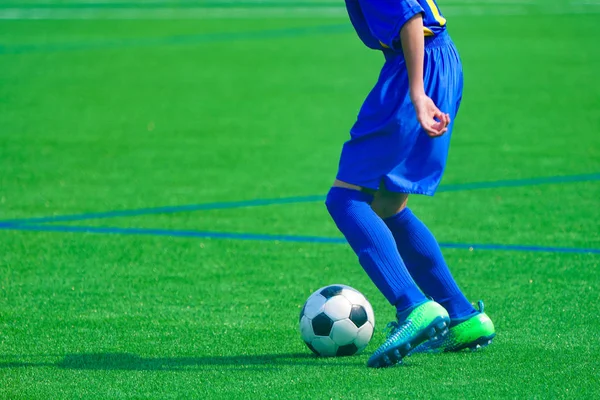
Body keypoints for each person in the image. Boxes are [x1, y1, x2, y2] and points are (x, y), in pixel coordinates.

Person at [325, 0, 496, 368]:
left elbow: (411, 18)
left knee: (345, 199)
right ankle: (463, 316)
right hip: (438, 60)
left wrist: (417, 94)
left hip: (416, 69)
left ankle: (412, 305)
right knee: (388, 207)